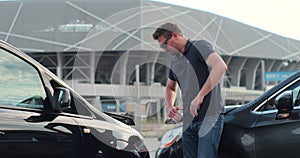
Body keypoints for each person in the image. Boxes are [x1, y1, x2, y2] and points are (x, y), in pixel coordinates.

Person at [152, 22, 227, 158]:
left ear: (174, 35)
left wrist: (200, 96)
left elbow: (220, 67)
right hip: (188, 121)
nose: (164, 50)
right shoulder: (175, 61)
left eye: (164, 45)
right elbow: (170, 87)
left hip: (209, 117)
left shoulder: (200, 47)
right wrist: (169, 106)